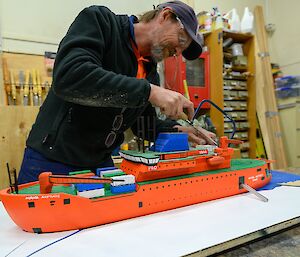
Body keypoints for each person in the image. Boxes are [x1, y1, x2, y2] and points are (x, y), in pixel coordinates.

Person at [18, 1, 216, 184]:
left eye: (183, 49)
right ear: (165, 16)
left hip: (100, 164)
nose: (177, 52)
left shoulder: (148, 70)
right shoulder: (101, 22)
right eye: (181, 39)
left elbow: (143, 127)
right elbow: (70, 77)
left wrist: (182, 130)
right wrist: (149, 91)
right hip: (52, 160)